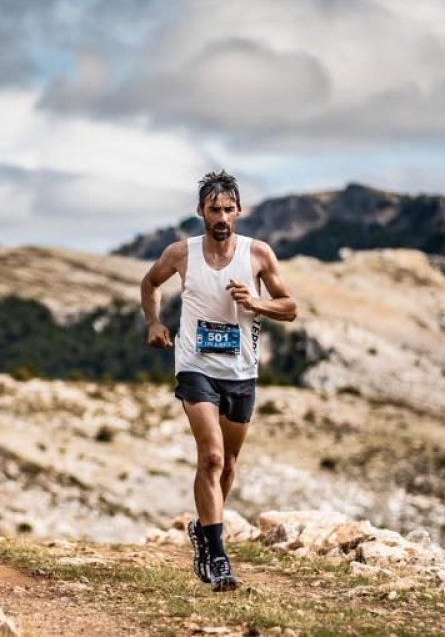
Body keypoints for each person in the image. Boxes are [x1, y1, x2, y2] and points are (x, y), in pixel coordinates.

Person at [139, 170, 298, 592]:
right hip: (195, 366)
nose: (222, 216)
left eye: (229, 209)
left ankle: (203, 535)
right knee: (209, 458)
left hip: (241, 372)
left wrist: (256, 303)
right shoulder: (181, 253)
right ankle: (220, 556)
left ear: (240, 211)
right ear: (200, 212)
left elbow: (291, 307)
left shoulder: (258, 254)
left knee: (227, 464)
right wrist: (154, 321)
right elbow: (149, 282)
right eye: (214, 209)